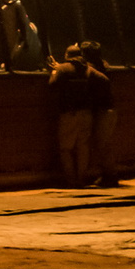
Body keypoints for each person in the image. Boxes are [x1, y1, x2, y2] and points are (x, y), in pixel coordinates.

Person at [49, 44, 104, 188]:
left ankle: (71, 179)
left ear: (67, 55)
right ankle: (82, 178)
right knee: (83, 147)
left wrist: (55, 71)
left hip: (69, 113)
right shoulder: (88, 69)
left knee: (66, 148)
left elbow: (52, 84)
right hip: (86, 113)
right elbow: (103, 79)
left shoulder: (62, 69)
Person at [80, 41, 118, 187]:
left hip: (103, 111)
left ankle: (110, 176)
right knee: (102, 144)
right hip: (108, 110)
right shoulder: (104, 65)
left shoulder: (91, 70)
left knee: (103, 145)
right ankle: (106, 174)